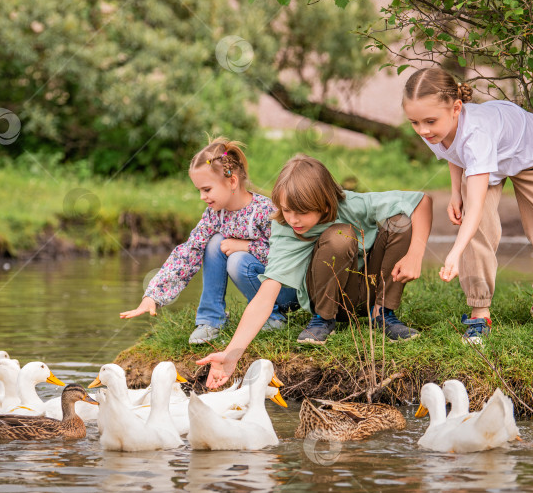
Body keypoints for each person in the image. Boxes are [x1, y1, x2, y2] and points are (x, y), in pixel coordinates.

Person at [197, 155, 432, 388]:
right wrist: (231, 354)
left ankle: (382, 313)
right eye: (287, 210)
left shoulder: (353, 204)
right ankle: (323, 319)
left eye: (302, 212)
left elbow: (421, 202)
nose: (293, 219)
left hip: (366, 289)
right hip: (327, 298)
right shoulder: (286, 229)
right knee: (341, 236)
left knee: (400, 220)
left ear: (326, 204)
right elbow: (265, 298)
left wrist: (415, 254)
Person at [402, 67, 533, 344]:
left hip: (531, 155)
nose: (423, 130)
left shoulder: (476, 134)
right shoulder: (432, 128)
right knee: (478, 233)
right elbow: (453, 149)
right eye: (414, 123)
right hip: (483, 161)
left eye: (429, 121)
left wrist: (452, 254)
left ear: (456, 108)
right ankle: (479, 313)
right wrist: (456, 192)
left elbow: (474, 207)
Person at [120, 138, 298, 344]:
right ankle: (211, 320)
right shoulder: (215, 214)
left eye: (206, 189)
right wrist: (153, 296)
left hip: (286, 292)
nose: (202, 197)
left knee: (237, 260)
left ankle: (272, 317)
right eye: (199, 191)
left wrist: (247, 247)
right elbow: (189, 251)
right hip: (259, 286)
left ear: (232, 182)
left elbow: (288, 257)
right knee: (213, 243)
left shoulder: (265, 211)